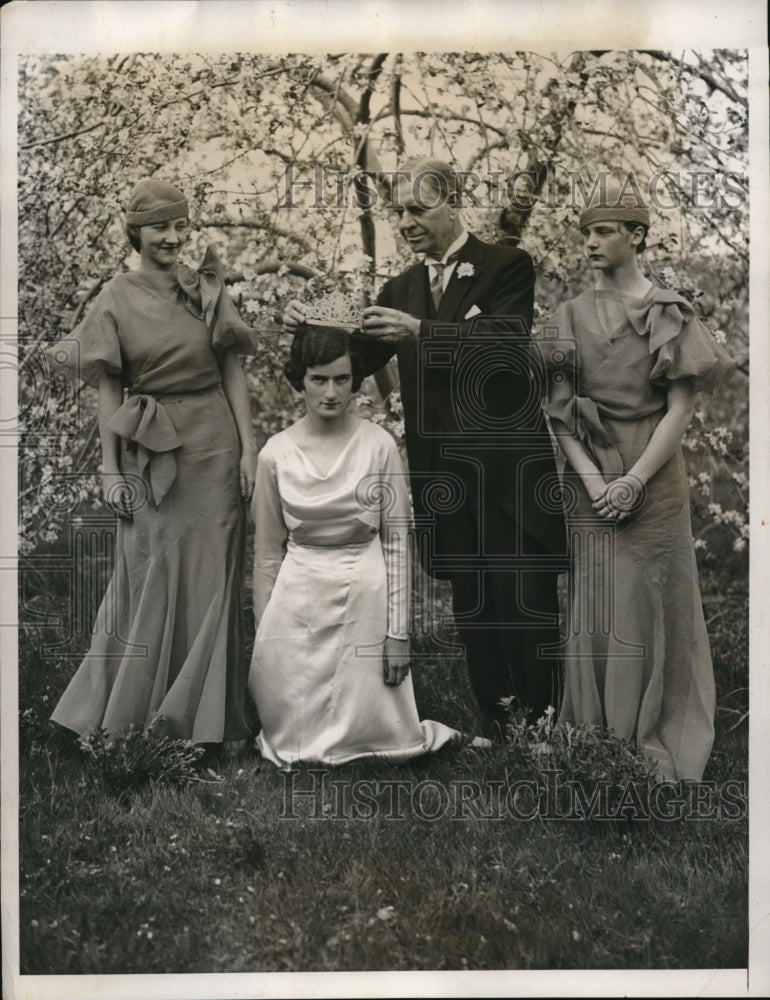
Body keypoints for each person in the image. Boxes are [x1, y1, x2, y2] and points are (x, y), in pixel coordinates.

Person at [284, 158, 567, 738]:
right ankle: (497, 723)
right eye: (400, 213)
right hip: (443, 478)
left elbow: (507, 346)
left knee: (524, 603)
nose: (407, 222)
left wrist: (421, 333)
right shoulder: (400, 288)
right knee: (473, 608)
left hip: (508, 474)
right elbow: (352, 363)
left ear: (453, 203)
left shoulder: (507, 266)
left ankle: (545, 730)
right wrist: (308, 326)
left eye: (419, 209)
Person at [46, 179, 257, 749]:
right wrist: (111, 472)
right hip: (151, 454)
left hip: (215, 448)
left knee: (214, 579)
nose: (172, 237)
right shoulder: (115, 297)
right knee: (148, 573)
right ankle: (128, 719)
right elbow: (108, 390)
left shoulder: (206, 286)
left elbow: (233, 370)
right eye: (159, 226)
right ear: (135, 232)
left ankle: (209, 726)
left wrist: (250, 451)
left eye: (179, 224)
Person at [538, 187, 735, 781]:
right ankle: (596, 737)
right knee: (599, 601)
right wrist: (600, 482)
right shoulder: (567, 318)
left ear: (637, 236)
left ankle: (651, 733)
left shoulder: (668, 311)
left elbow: (679, 411)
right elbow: (559, 411)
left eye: (604, 232)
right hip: (590, 474)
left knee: (652, 597)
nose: (591, 243)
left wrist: (634, 481)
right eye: (587, 234)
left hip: (654, 473)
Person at [248, 326, 463, 768]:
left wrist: (397, 635)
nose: (330, 393)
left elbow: (398, 545)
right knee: (291, 742)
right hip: (299, 595)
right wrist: (265, 638)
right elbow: (268, 553)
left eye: (341, 380)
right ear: (299, 380)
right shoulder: (275, 454)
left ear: (356, 381)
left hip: (365, 590)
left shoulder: (378, 445)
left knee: (379, 732)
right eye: (318, 380)